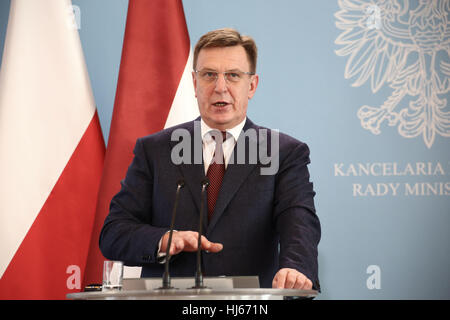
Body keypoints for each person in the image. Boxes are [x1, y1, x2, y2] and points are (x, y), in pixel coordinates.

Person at [99, 28, 321, 290]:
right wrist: (163, 239)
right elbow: (114, 233)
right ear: (195, 84)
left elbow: (299, 222)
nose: (220, 87)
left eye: (233, 76)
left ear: (251, 85)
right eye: (209, 75)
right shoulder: (155, 150)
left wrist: (295, 267)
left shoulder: (283, 152)